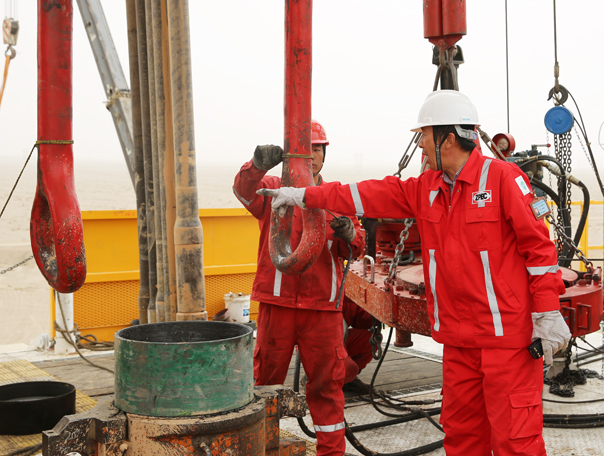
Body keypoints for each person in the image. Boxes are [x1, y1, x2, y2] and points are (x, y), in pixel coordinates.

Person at [258, 90, 572, 456]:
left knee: (516, 442)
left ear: (447, 139)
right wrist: (305, 196)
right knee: (463, 439)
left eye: (423, 135)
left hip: (507, 342)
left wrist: (547, 311)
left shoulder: (503, 179)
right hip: (458, 343)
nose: (420, 144)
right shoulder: (428, 188)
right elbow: (367, 195)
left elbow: (540, 249)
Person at [233, 120, 365, 456]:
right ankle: (260, 449)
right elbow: (244, 191)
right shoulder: (273, 188)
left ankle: (331, 452)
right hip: (277, 305)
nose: (311, 156)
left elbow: (357, 246)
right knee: (264, 387)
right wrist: (257, 165)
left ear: (324, 154)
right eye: (305, 149)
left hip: (322, 310)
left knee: (327, 388)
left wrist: (350, 234)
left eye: (317, 149)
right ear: (292, 154)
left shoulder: (336, 196)